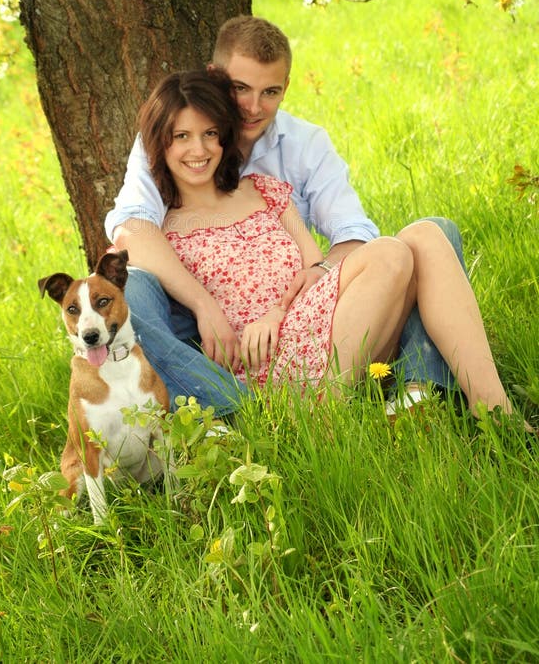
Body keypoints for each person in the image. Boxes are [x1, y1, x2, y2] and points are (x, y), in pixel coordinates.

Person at [105, 16, 457, 414]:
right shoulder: (166, 139)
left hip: (303, 311)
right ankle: (226, 411)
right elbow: (132, 229)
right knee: (130, 286)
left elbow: (352, 233)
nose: (254, 107)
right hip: (205, 325)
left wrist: (310, 284)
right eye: (241, 89)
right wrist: (205, 307)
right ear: (217, 79)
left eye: (269, 91)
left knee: (426, 239)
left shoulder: (285, 167)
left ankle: (420, 393)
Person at [133, 68, 520, 421]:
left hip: (324, 329)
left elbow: (315, 270)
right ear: (160, 143)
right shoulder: (162, 230)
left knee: (425, 235)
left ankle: (494, 409)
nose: (198, 150)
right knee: (390, 251)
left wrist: (275, 312)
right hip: (263, 364)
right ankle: (322, 417)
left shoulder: (264, 192)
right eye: (181, 136)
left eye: (209, 134)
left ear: (224, 136)